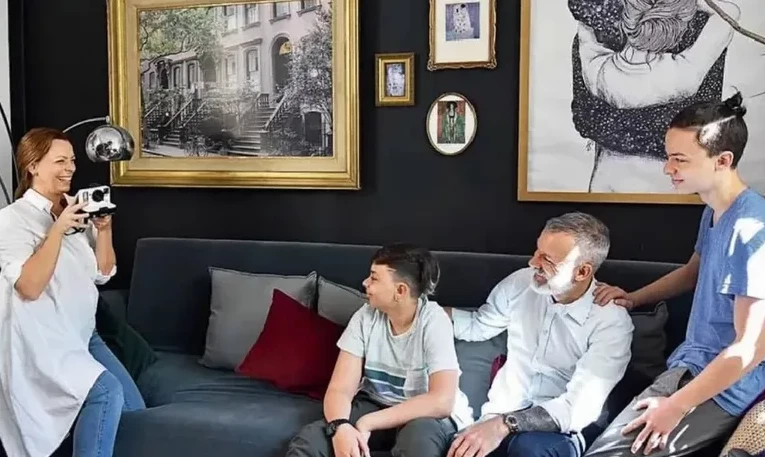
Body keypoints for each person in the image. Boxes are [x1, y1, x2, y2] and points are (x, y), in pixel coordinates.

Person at [587, 92, 765, 457]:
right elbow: (692, 272)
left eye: (679, 159)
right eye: (668, 157)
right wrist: (633, 298)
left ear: (723, 160)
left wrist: (676, 406)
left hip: (725, 386)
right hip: (690, 365)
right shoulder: (714, 211)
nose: (668, 168)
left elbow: (750, 348)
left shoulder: (749, 229)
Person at [0, 128, 146, 457]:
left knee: (135, 411)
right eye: (60, 161)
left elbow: (103, 273)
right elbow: (29, 287)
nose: (70, 168)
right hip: (45, 338)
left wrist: (104, 230)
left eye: (73, 160)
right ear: (33, 166)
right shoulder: (11, 221)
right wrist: (57, 230)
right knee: (107, 392)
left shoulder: (75, 209)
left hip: (84, 334)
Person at [443, 212, 635, 457]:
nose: (533, 262)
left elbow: (578, 409)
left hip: (560, 431)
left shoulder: (611, 322)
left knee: (529, 451)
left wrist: (503, 425)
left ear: (582, 272)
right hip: (498, 415)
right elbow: (478, 325)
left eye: (547, 259)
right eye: (537, 251)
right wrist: (420, 311)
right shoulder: (520, 283)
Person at [286, 243, 474, 457]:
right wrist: (340, 426)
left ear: (400, 291)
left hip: (425, 416)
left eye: (374, 278)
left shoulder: (434, 321)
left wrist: (368, 422)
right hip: (376, 403)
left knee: (417, 443)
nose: (365, 283)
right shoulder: (365, 317)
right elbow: (340, 388)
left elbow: (442, 401)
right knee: (310, 440)